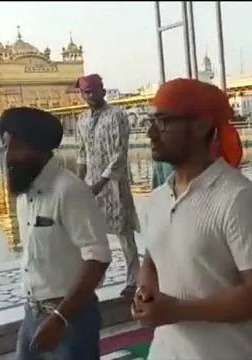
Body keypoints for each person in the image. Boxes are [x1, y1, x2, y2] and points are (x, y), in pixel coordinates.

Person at [133, 78, 252, 359]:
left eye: (164, 122)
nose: (151, 133)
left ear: (202, 125)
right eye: (150, 121)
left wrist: (177, 310)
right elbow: (152, 259)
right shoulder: (157, 199)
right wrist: (145, 292)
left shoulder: (238, 199)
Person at [0, 107, 112, 360]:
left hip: (71, 318)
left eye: (15, 148)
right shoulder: (25, 195)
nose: (8, 157)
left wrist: (60, 318)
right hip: (33, 313)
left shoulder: (69, 190)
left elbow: (98, 257)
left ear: (39, 148)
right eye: (6, 147)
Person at [75, 74, 140, 299]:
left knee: (124, 232)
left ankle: (134, 278)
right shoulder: (82, 119)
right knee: (93, 235)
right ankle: (95, 279)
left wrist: (101, 182)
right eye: (86, 92)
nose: (90, 96)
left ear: (103, 91)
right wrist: (78, 182)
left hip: (114, 184)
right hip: (91, 185)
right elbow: (82, 153)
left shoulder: (117, 116)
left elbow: (120, 153)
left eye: (93, 91)